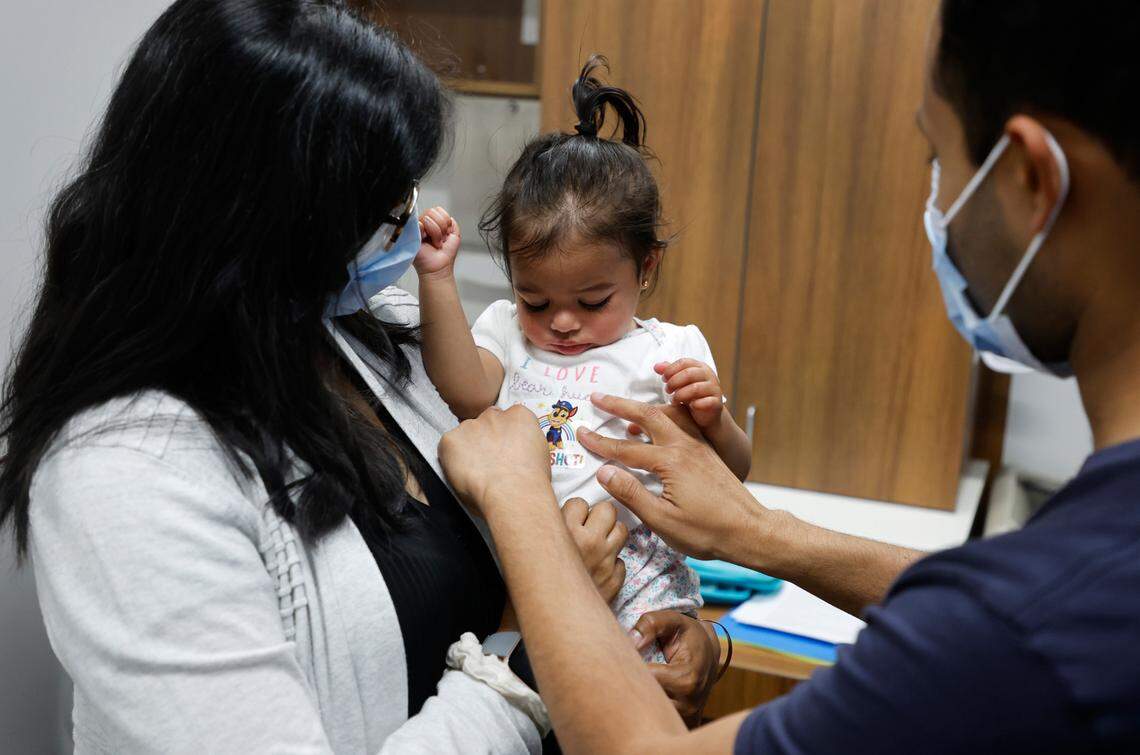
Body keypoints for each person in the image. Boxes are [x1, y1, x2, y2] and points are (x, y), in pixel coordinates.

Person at [0, 1, 718, 751]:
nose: (409, 227)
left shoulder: (367, 337)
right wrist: (535, 644)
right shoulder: (126, 473)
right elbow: (532, 580)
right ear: (272, 226)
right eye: (383, 210)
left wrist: (665, 623)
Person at [438, 1, 1140, 752]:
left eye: (939, 159)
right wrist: (755, 547)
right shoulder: (1063, 588)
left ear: (1033, 177)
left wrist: (519, 511)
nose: (936, 208)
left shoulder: (1026, 625)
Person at [413, 56, 750, 664]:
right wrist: (437, 278)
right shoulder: (506, 332)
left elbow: (733, 474)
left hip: (639, 572)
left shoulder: (670, 350)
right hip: (522, 566)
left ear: (645, 269)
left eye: (592, 301)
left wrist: (714, 420)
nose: (561, 322)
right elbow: (465, 392)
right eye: (535, 298)